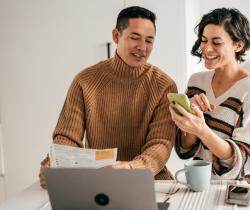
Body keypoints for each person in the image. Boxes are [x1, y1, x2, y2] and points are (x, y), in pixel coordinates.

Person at [39, 6, 177, 188]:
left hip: (151, 183)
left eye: (149, 40)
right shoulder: (84, 81)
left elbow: (161, 144)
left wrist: (131, 168)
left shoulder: (164, 85)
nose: (142, 47)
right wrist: (56, 162)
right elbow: (67, 137)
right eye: (135, 38)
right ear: (116, 36)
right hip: (99, 184)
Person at [169, 8, 250, 184]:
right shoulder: (196, 81)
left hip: (244, 188)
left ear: (238, 45)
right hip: (204, 184)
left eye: (216, 42)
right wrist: (190, 117)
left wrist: (202, 130)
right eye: (203, 40)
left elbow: (242, 161)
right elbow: (185, 150)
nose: (206, 49)